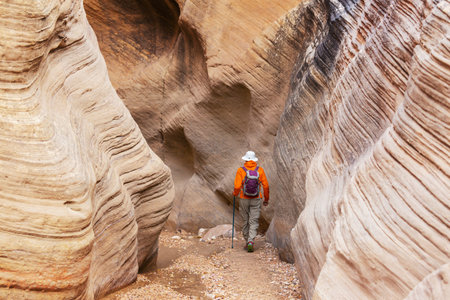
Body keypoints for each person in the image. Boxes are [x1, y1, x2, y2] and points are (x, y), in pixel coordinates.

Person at [233, 150, 269, 252]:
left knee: (246, 220)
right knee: (253, 220)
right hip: (257, 198)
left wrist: (235, 194)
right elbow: (266, 186)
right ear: (254, 160)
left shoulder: (241, 170)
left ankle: (246, 241)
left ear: (245, 160)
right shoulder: (260, 170)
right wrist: (266, 199)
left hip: (244, 198)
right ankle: (250, 241)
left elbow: (237, 186)